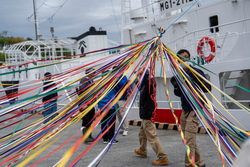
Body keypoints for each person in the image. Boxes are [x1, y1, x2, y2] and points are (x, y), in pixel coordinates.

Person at [171, 49, 211, 167]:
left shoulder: (196, 71)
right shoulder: (179, 73)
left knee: (189, 141)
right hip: (185, 110)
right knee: (189, 139)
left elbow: (208, 87)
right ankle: (200, 163)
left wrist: (192, 81)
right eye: (181, 58)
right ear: (178, 61)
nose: (184, 60)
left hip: (195, 109)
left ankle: (189, 165)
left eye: (186, 57)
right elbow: (179, 94)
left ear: (189, 58)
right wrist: (176, 87)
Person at [134, 69, 169, 166]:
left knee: (152, 136)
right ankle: (143, 150)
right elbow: (139, 86)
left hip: (148, 114)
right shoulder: (144, 84)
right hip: (145, 114)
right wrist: (138, 77)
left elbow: (148, 84)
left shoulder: (150, 83)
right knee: (142, 134)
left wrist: (143, 74)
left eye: (140, 74)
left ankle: (162, 157)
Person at [98, 70, 125, 144]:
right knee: (111, 123)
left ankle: (105, 138)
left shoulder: (99, 84)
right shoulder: (112, 84)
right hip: (110, 106)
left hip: (102, 107)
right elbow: (119, 90)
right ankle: (110, 138)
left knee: (104, 122)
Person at [77, 68, 96, 143]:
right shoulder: (84, 80)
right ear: (89, 73)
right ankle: (85, 137)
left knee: (91, 119)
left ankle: (89, 135)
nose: (94, 74)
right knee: (86, 119)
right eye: (93, 72)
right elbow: (82, 91)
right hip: (85, 103)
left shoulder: (91, 80)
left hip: (90, 103)